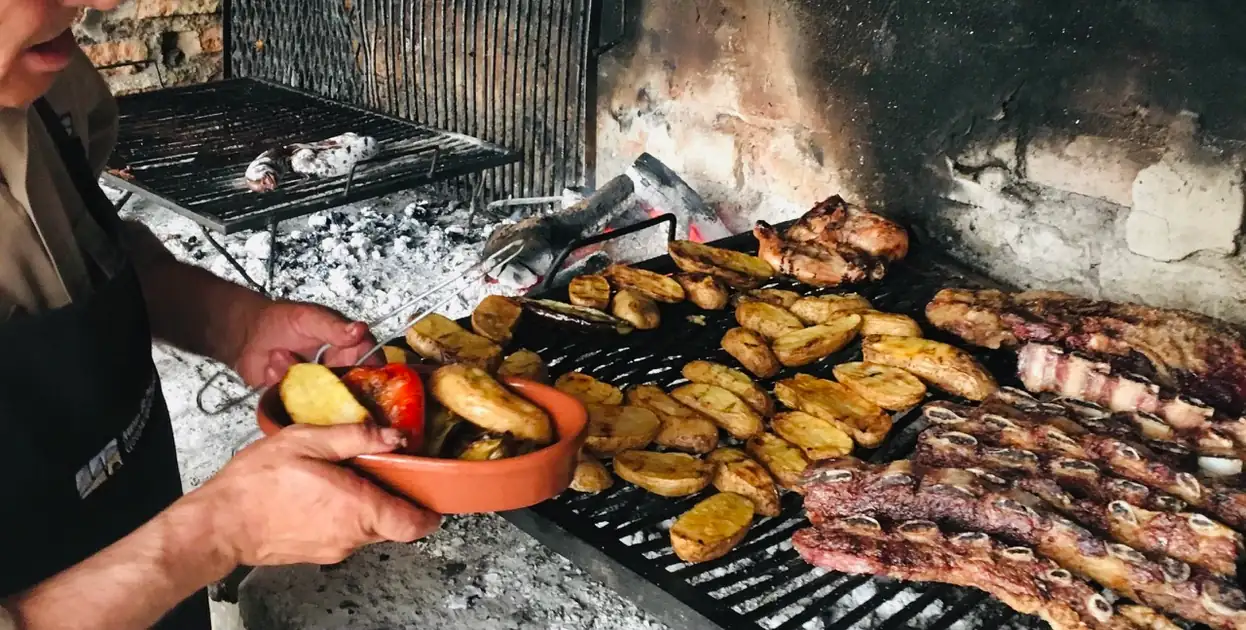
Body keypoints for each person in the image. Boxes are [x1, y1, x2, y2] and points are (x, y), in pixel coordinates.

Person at [0, 2, 442, 628]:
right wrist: (218, 534)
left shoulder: (42, 70)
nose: (106, 2)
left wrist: (233, 322)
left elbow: (83, 246)